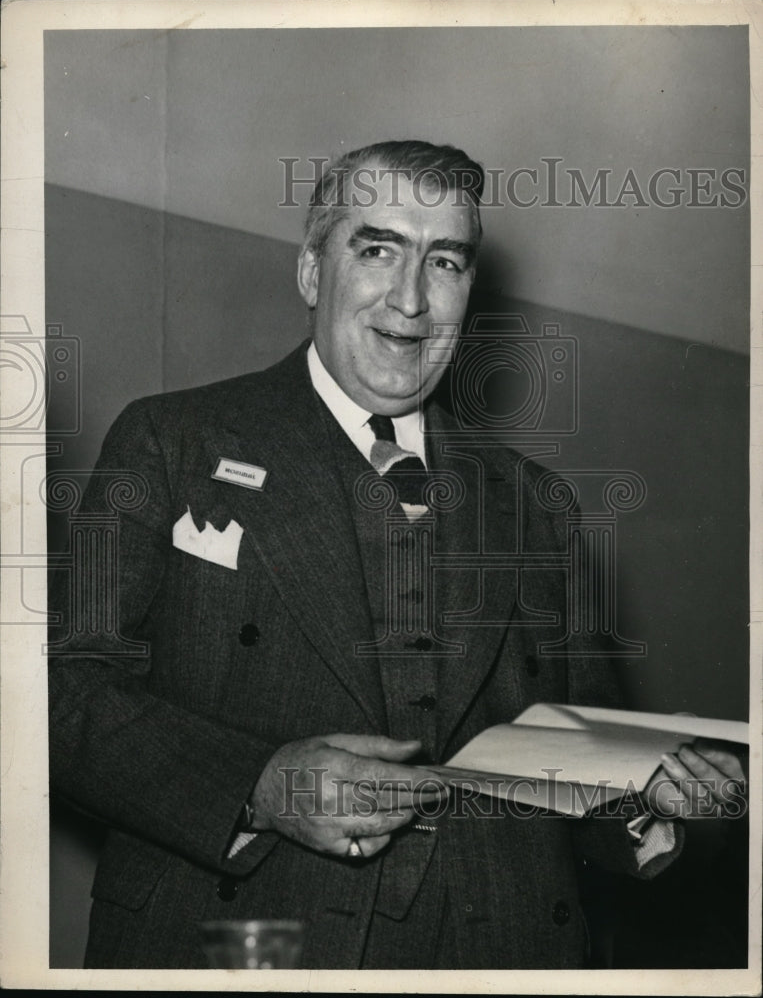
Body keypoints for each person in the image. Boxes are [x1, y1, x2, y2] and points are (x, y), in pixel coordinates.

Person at [48, 139, 746, 970]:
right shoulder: (171, 439)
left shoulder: (535, 502)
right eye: (377, 249)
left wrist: (648, 796)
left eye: (444, 261)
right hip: (242, 941)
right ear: (312, 272)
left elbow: (580, 759)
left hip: (500, 948)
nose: (410, 299)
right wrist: (260, 785)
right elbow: (60, 696)